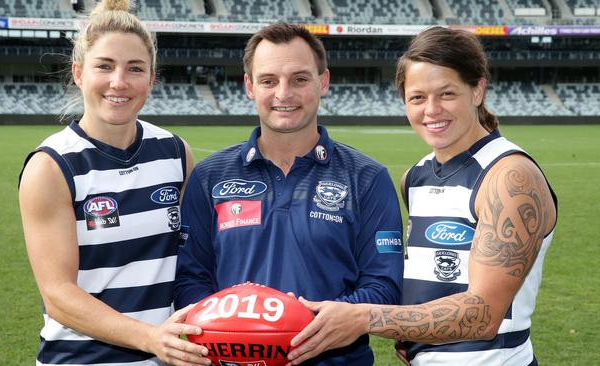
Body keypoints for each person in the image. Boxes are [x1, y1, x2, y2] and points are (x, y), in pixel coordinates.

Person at [286, 26, 558, 366]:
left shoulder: (509, 177)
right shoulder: (414, 177)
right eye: (417, 97)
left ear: (478, 91)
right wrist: (411, 332)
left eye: (446, 94)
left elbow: (484, 312)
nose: (431, 110)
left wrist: (364, 317)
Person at [173, 23, 404, 365]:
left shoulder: (367, 178)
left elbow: (384, 285)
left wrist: (304, 320)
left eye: (299, 79)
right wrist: (235, 322)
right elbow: (190, 277)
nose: (284, 93)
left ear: (323, 82)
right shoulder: (210, 177)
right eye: (269, 81)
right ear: (249, 86)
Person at [18, 1, 211, 365]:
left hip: (165, 358)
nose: (119, 82)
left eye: (135, 69)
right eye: (104, 66)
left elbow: (191, 259)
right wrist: (151, 338)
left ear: (152, 79)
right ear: (78, 73)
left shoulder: (175, 153)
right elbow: (58, 294)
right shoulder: (51, 166)